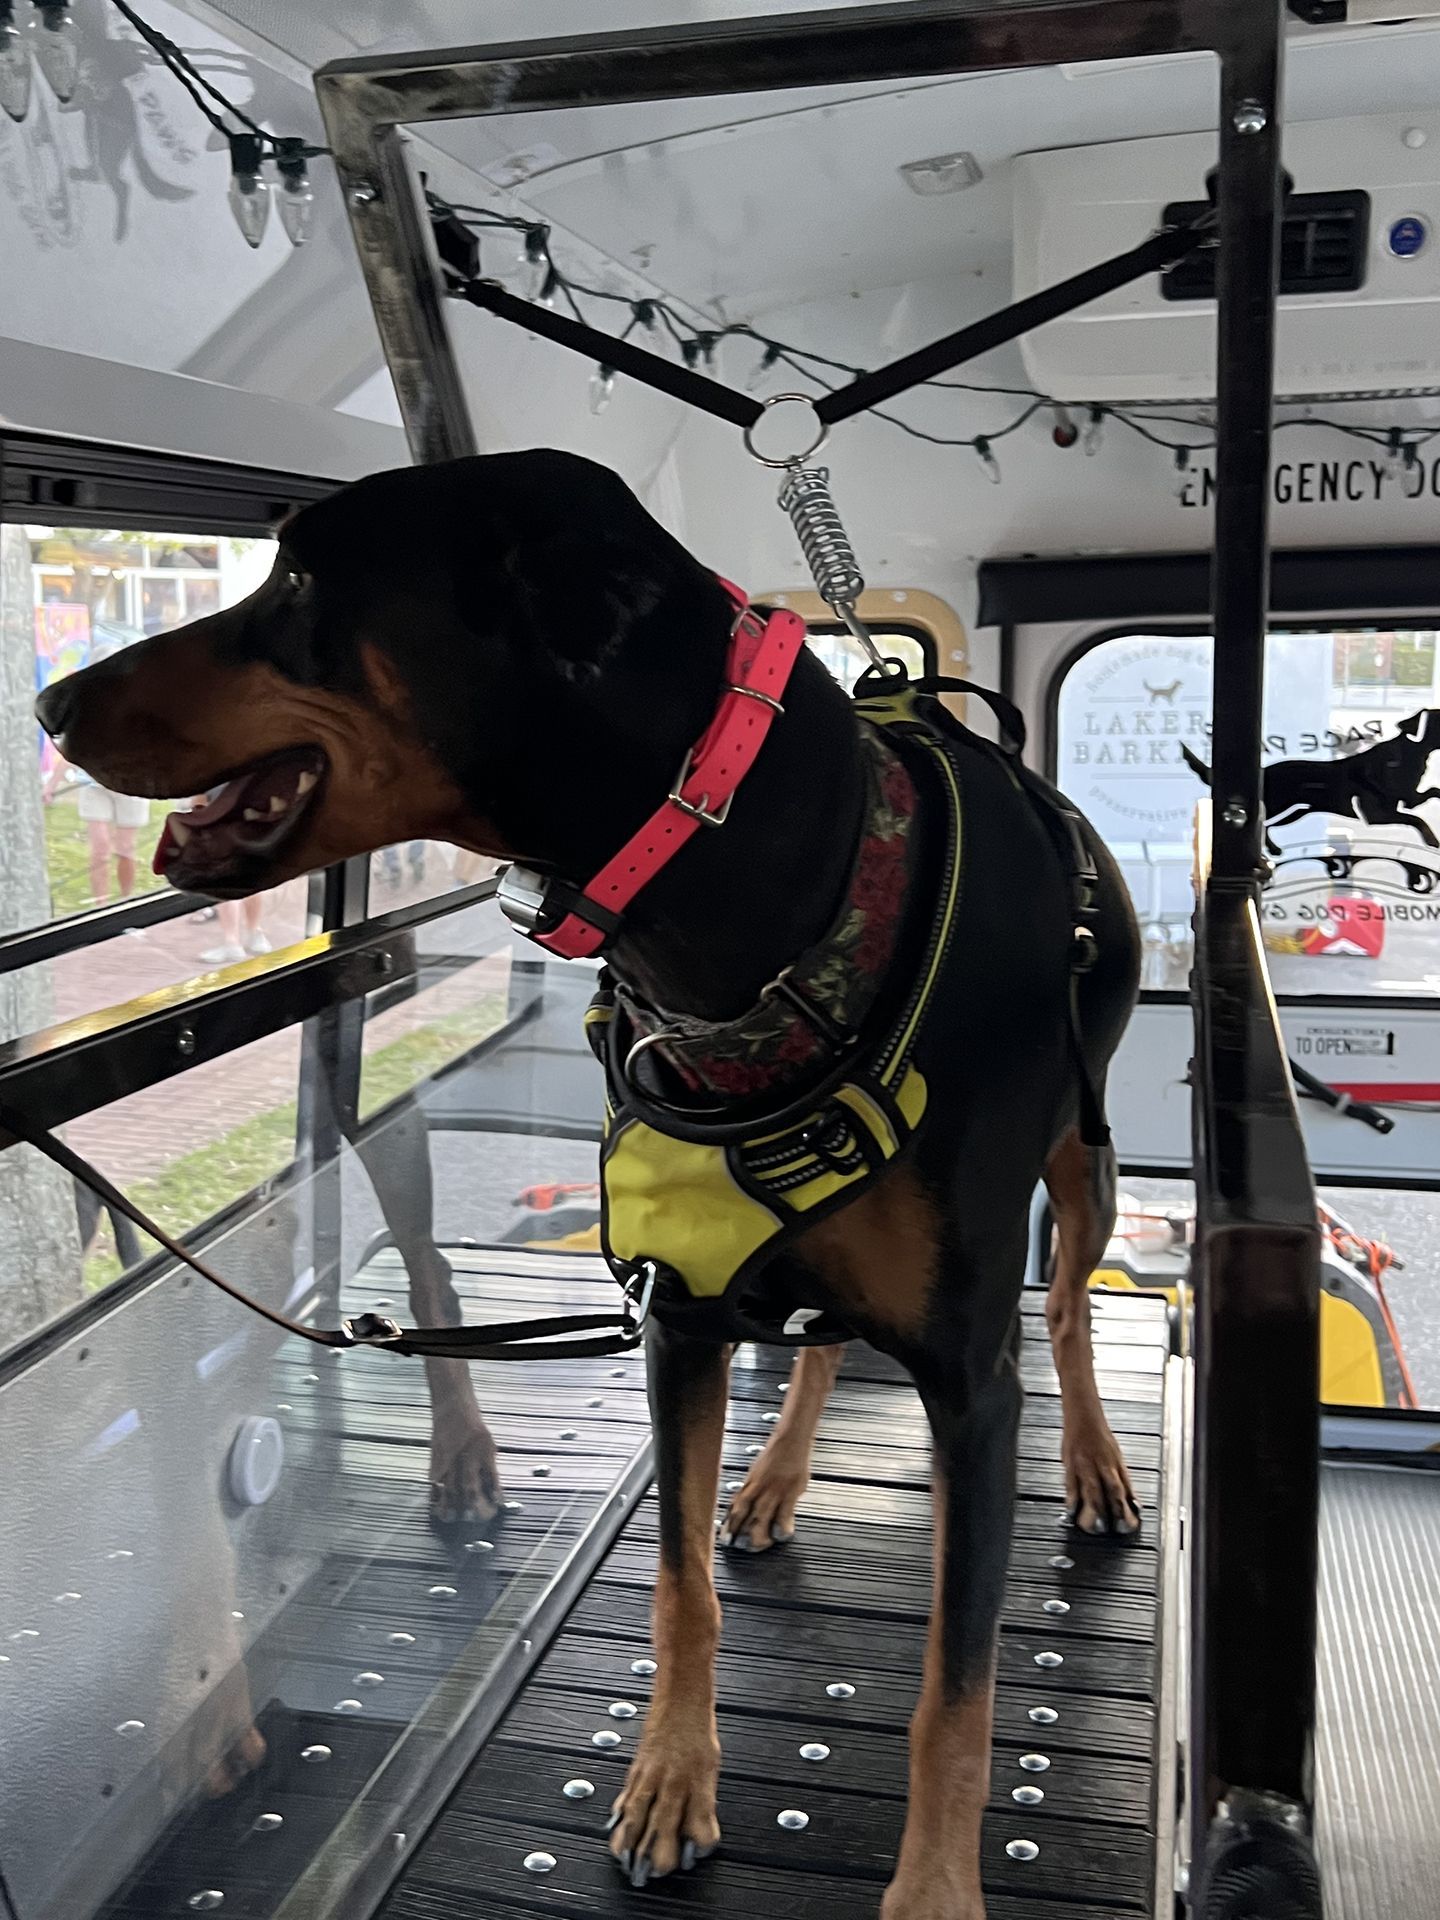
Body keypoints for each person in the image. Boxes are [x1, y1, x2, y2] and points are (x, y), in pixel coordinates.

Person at [43, 750, 149, 907]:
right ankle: (100, 906)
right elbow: (72, 749)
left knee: (125, 848)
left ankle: (127, 901)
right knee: (100, 849)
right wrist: (51, 785)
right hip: (94, 786)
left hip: (132, 784)